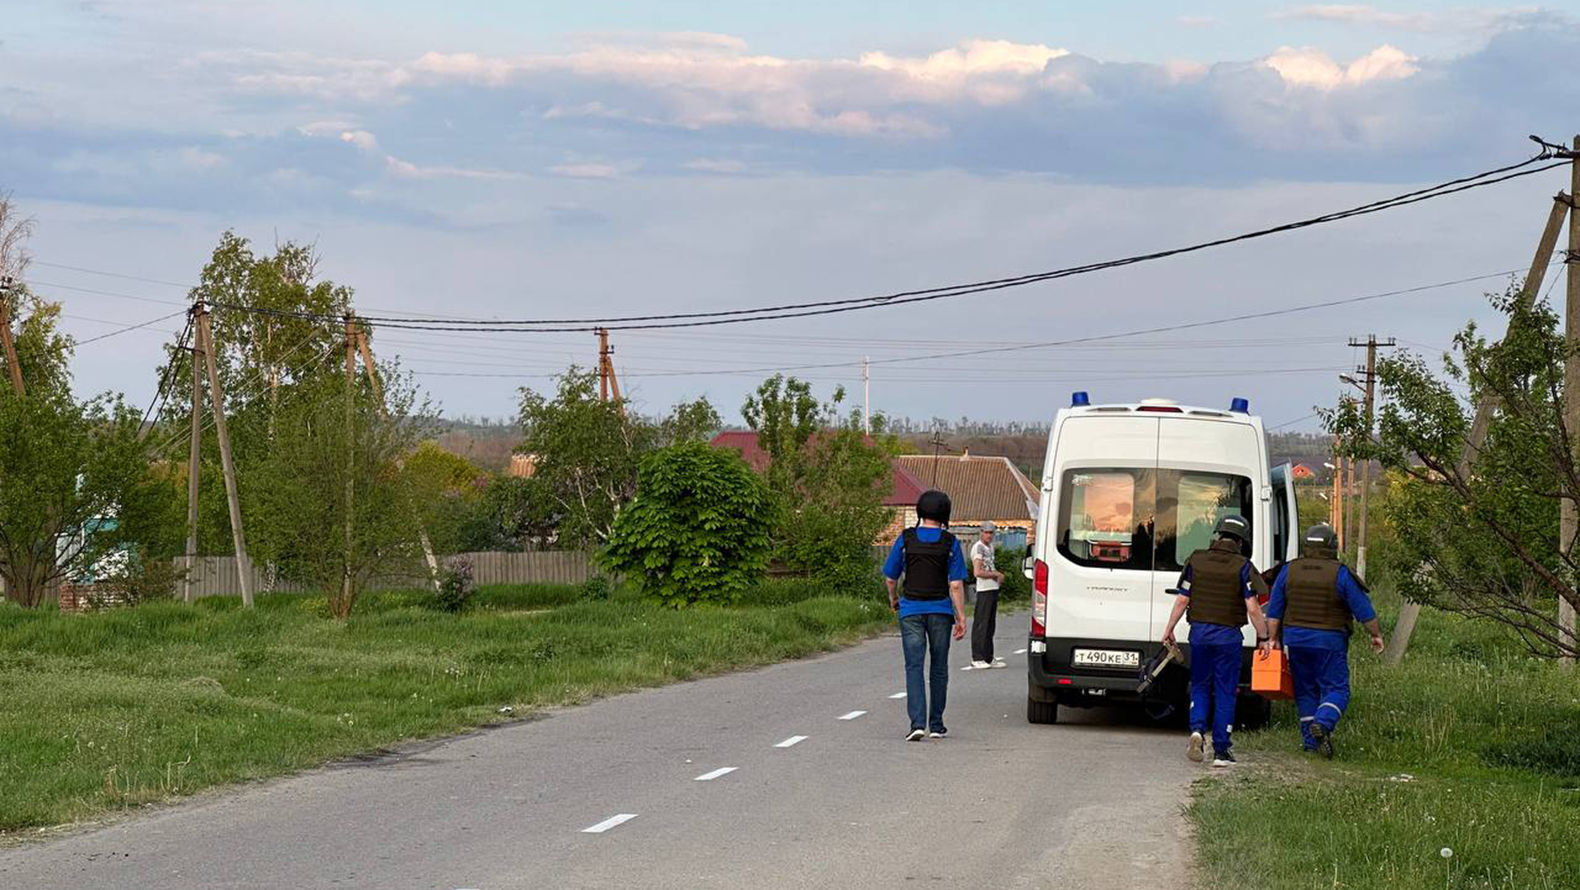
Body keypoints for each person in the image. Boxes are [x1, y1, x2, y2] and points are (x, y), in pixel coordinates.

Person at [1159, 514, 1272, 767]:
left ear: (1218, 535)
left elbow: (1182, 599)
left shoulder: (1196, 560)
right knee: (1225, 692)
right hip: (1228, 638)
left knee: (1199, 685)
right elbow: (1253, 609)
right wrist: (1264, 637)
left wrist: (1169, 628)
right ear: (1241, 541)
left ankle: (1197, 730)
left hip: (1198, 634)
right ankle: (1221, 750)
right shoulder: (1243, 566)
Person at [1265, 523, 1384, 759]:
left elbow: (1275, 611)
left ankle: (1311, 742)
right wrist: (1375, 634)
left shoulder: (1289, 570)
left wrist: (1271, 639)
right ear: (1332, 546)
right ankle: (1323, 722)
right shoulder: (1339, 573)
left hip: (1296, 640)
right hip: (1329, 641)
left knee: (1306, 691)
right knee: (1337, 689)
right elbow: (1363, 610)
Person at [883, 490, 969, 741]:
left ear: (921, 512)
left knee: (914, 666)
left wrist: (894, 599)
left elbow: (891, 577)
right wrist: (961, 616)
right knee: (939, 667)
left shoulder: (906, 538)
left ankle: (917, 724)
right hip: (940, 611)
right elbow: (955, 585)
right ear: (944, 514)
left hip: (910, 610)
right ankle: (937, 725)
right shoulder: (950, 542)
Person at [969, 521, 1007, 669]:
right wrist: (995, 574)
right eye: (986, 532)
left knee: (990, 625)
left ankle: (988, 656)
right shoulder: (978, 548)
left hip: (992, 588)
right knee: (981, 624)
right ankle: (977, 656)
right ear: (981, 532)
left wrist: (997, 579)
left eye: (991, 533)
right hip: (984, 589)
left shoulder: (990, 547)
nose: (989, 535)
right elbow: (977, 572)